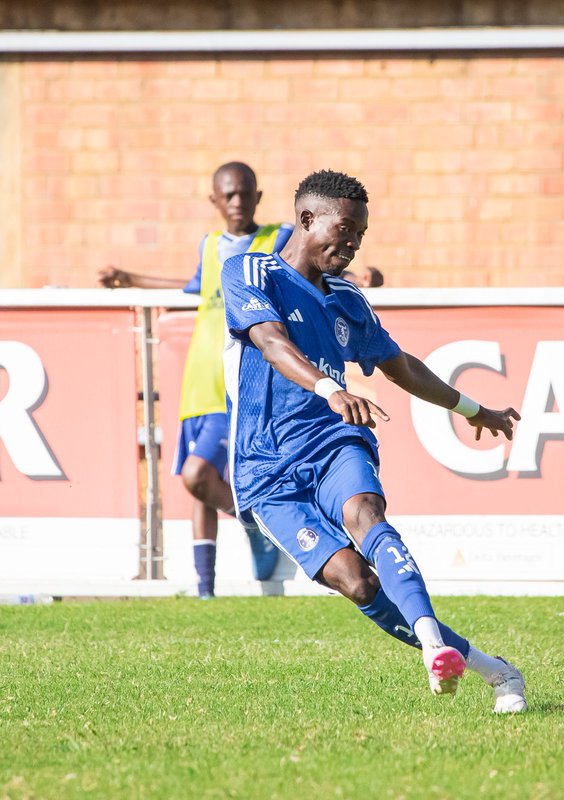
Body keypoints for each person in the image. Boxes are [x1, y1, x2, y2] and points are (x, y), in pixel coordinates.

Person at [221, 169, 527, 713]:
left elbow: (398, 365)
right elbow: (269, 341)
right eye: (346, 228)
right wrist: (328, 385)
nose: (354, 242)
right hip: (264, 468)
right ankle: (496, 671)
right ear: (307, 219)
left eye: (361, 233)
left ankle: (433, 647)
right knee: (358, 584)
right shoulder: (249, 270)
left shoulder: (347, 298)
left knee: (366, 511)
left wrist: (473, 409)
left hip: (333, 438)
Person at [99, 161, 286, 597]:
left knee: (198, 475)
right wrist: (131, 280)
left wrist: (354, 276)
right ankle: (206, 589)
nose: (237, 202)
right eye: (229, 195)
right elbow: (192, 287)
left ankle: (256, 524)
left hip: (238, 385)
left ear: (258, 196)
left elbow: (312, 266)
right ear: (215, 201)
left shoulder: (276, 238)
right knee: (198, 488)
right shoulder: (209, 245)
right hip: (198, 382)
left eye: (245, 193)